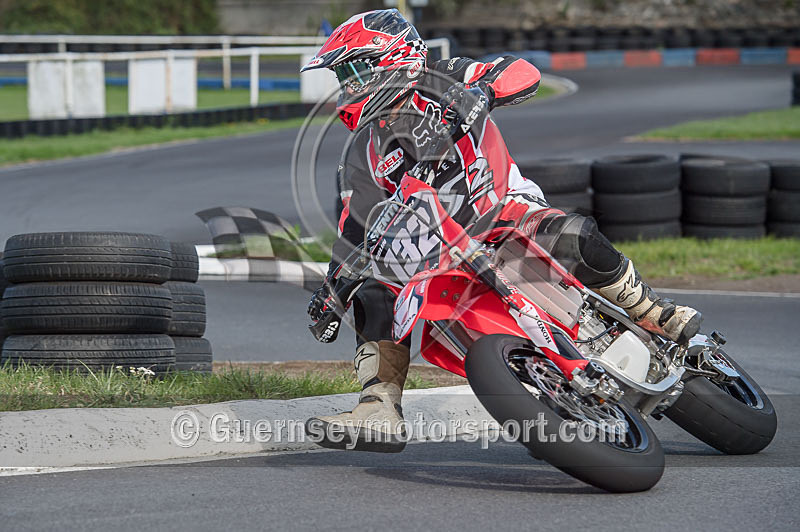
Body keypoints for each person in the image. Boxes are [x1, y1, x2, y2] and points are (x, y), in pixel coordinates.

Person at [302, 9, 701, 452]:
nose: (349, 85)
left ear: (393, 57)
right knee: (372, 289)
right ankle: (379, 405)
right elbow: (353, 226)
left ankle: (650, 309)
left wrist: (485, 92)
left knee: (573, 236)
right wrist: (333, 287)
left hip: (503, 209)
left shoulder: (444, 76)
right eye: (344, 75)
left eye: (356, 69)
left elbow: (519, 69)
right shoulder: (363, 151)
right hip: (436, 251)